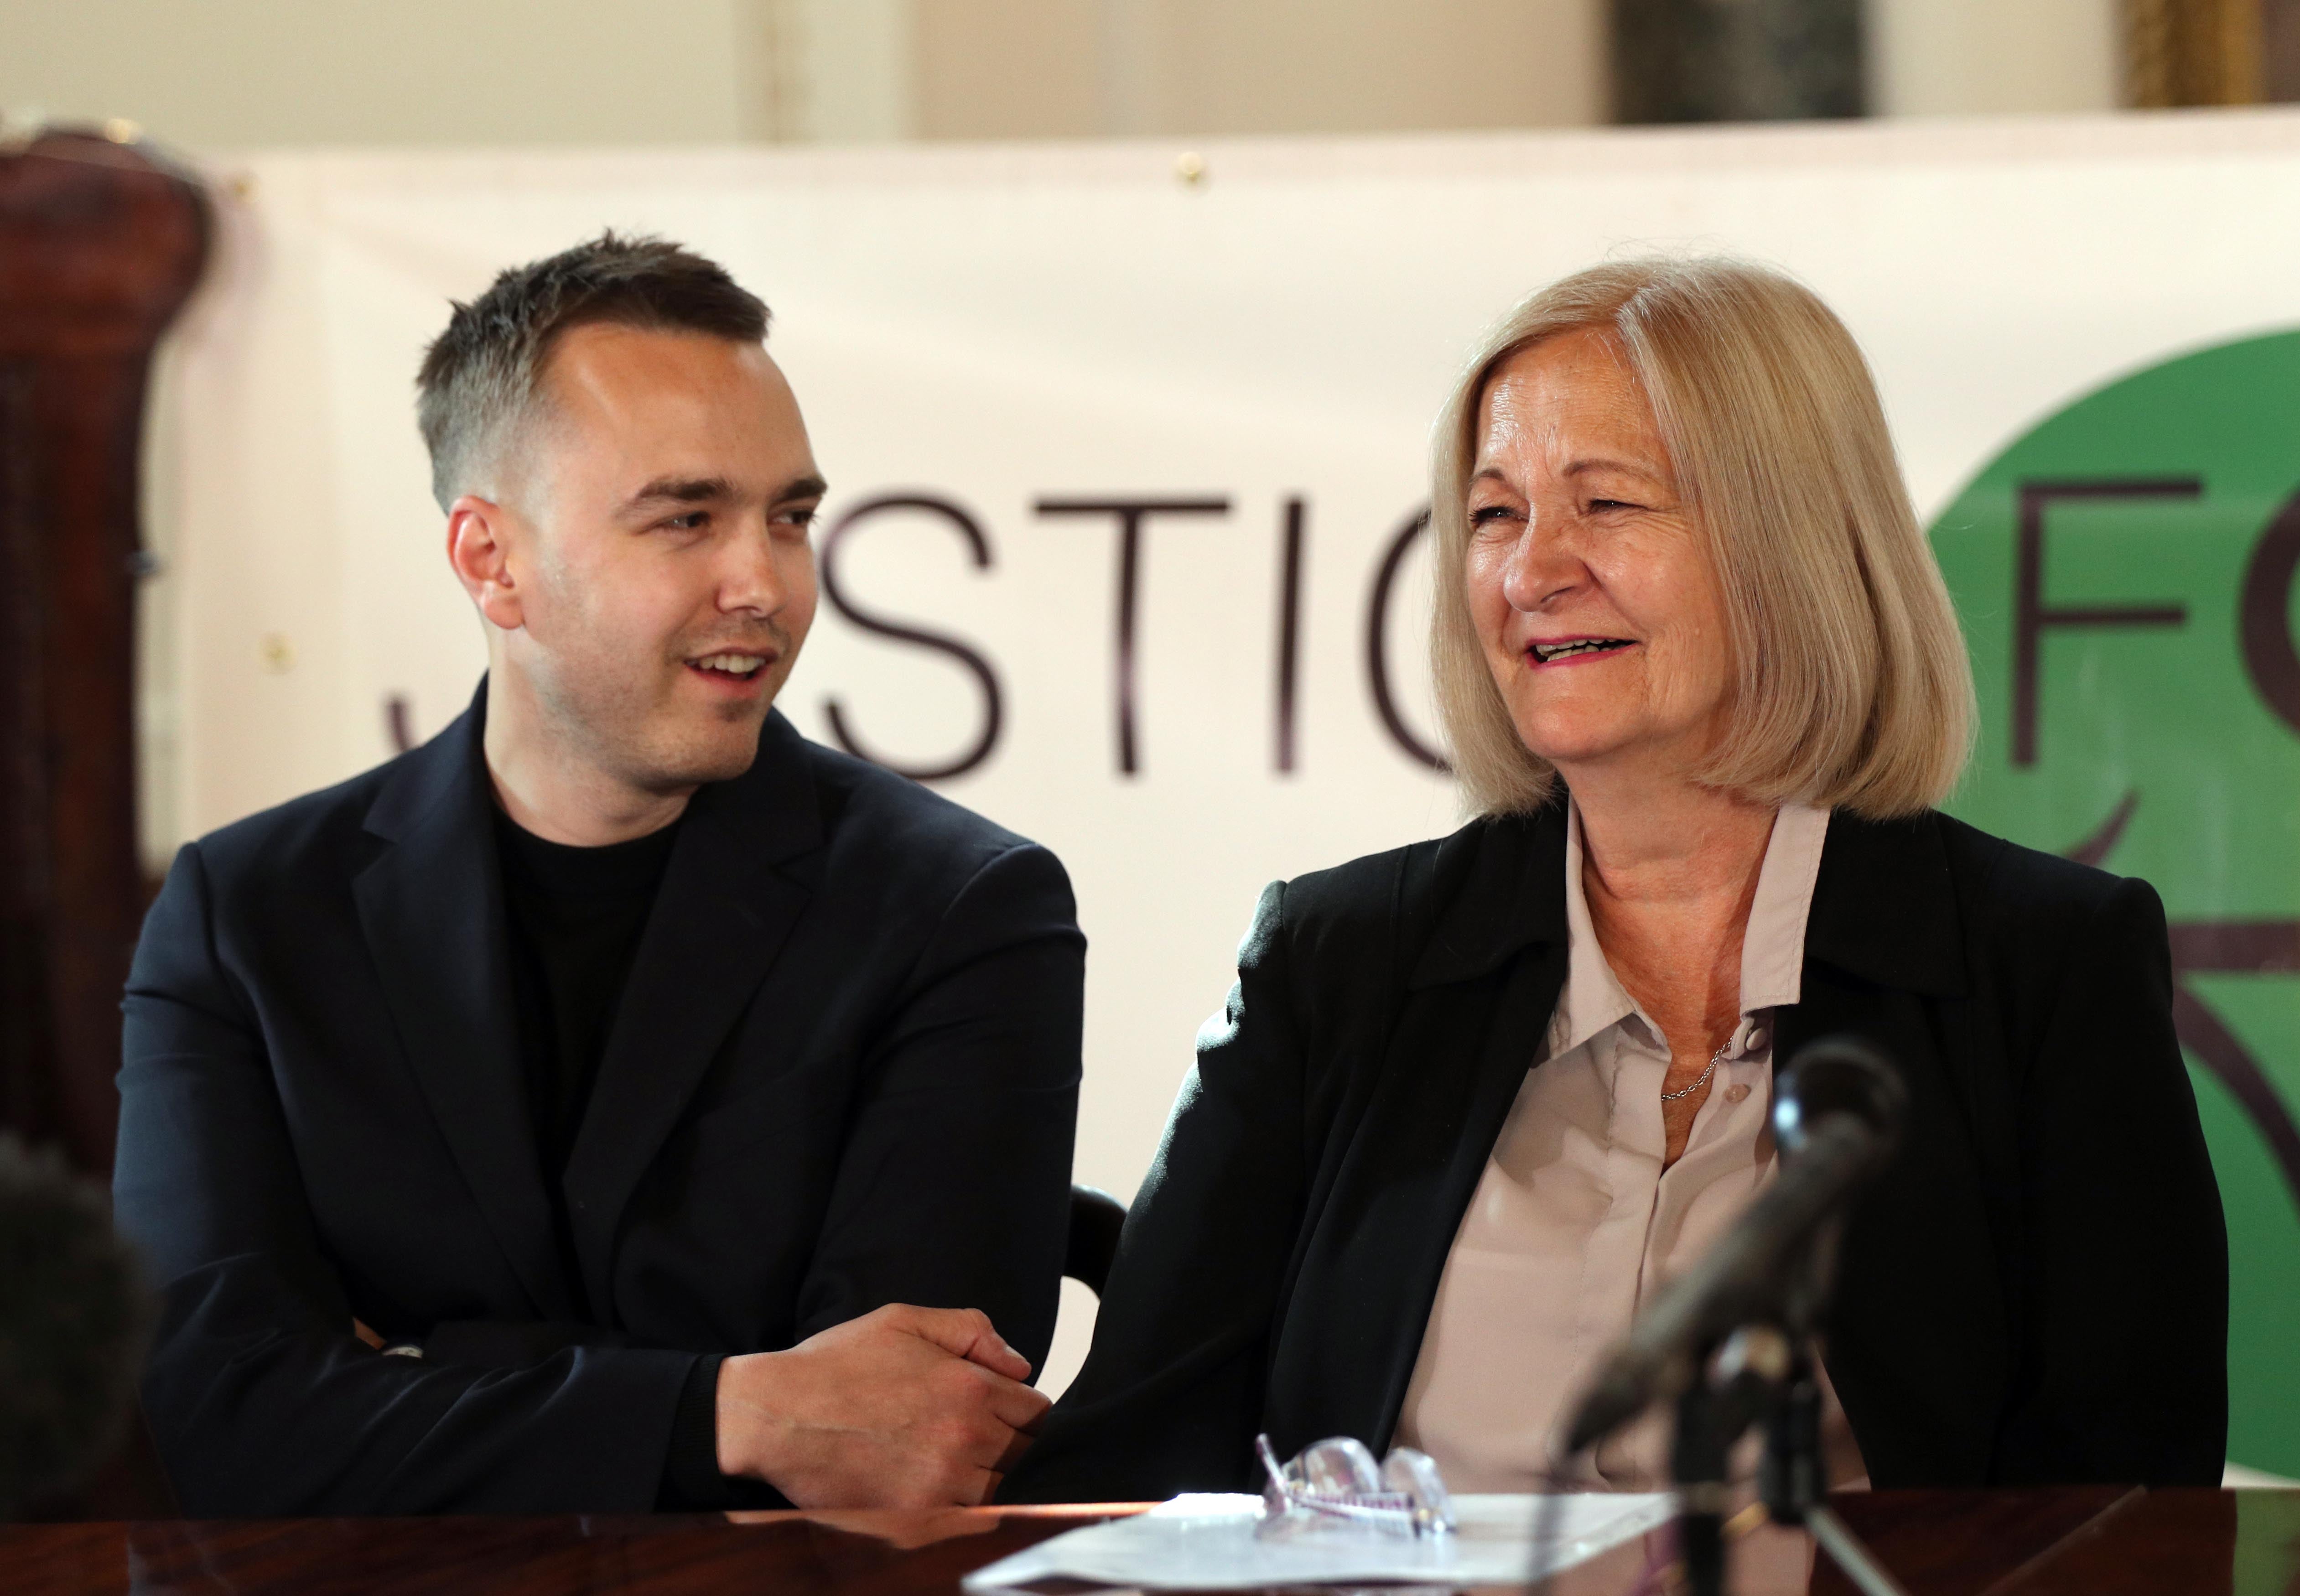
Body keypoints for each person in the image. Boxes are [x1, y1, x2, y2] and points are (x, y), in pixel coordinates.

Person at [1002, 257, 2227, 1503]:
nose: (1532, 571)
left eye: (1607, 504)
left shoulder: (2039, 969)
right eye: (1493, 514)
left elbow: (2121, 1520)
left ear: (1786, 544)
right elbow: (1130, 1467)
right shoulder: (1338, 960)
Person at [114, 234, 1083, 1516]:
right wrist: (733, 1404)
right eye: (686, 517)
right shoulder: (247, 914)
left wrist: (410, 1376)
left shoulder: (961, 909)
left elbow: (903, 1434)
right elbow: (216, 1422)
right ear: (489, 560)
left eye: (788, 517)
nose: (767, 584)